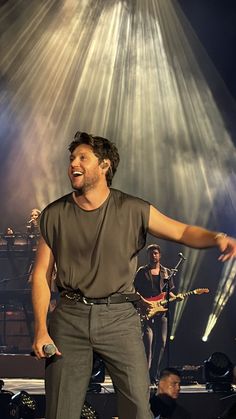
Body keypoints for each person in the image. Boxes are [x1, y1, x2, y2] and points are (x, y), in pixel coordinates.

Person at [31, 130, 236, 419]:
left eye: (82, 157)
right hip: (70, 318)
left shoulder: (133, 209)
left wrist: (217, 236)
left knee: (138, 409)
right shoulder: (54, 214)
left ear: (105, 166)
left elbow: (181, 231)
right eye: (72, 158)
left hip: (120, 319)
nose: (73, 163)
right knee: (60, 411)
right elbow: (41, 275)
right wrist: (41, 328)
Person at [134, 244, 182, 384]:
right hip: (146, 310)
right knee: (147, 344)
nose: (153, 255)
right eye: (150, 253)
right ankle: (144, 376)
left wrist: (176, 297)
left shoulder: (166, 272)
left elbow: (167, 292)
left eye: (155, 253)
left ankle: (152, 375)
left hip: (161, 312)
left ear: (159, 255)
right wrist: (143, 302)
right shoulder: (142, 271)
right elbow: (134, 290)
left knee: (161, 343)